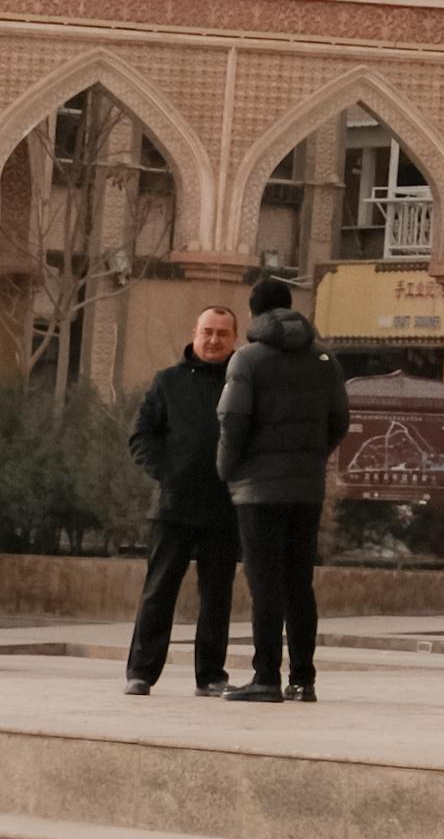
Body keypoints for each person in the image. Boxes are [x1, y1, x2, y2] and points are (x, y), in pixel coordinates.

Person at [215, 272, 350, 705]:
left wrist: (228, 470)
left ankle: (265, 677)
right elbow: (339, 422)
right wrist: (311, 458)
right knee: (299, 582)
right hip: (306, 488)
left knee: (265, 584)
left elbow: (232, 422)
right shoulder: (324, 360)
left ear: (253, 310)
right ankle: (303, 679)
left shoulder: (247, 360)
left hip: (257, 490)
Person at [123, 303, 240, 696]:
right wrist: (167, 473)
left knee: (217, 597)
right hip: (174, 504)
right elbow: (141, 436)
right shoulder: (167, 381)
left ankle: (210, 676)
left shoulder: (243, 383)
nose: (213, 340)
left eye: (222, 334)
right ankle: (141, 672)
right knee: (158, 591)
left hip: (226, 506)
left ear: (234, 339)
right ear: (195, 333)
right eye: (207, 332)